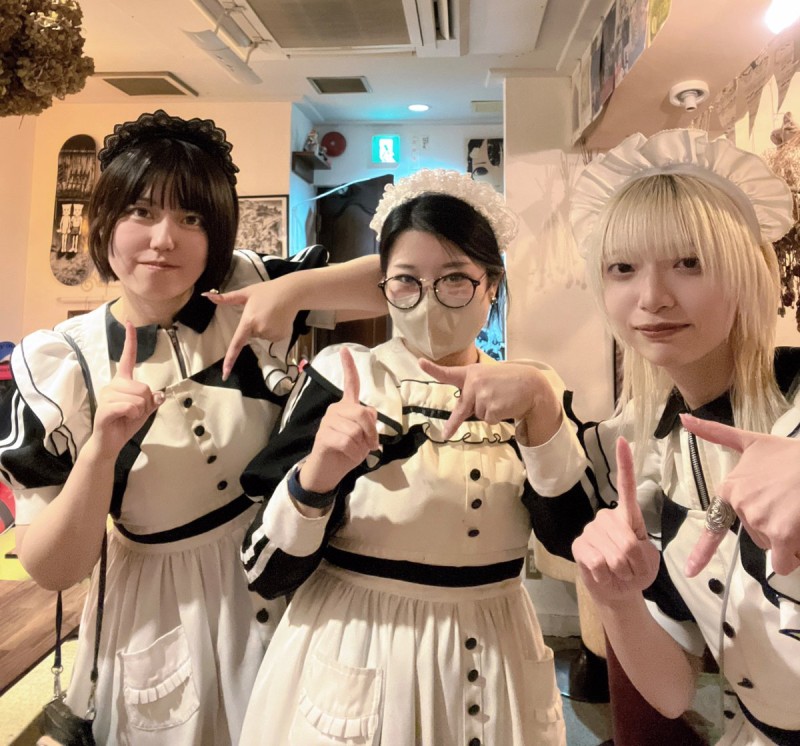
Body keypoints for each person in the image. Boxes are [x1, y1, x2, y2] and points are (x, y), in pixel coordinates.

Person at [0, 109, 386, 745]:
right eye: (141, 211)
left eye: (192, 218)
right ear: (105, 221)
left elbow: (401, 282)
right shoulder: (59, 363)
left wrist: (292, 293)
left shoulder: (245, 289)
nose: (164, 239)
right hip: (159, 602)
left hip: (279, 565)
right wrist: (99, 453)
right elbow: (53, 569)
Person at [237, 169, 588, 745]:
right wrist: (317, 475)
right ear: (384, 287)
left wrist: (543, 414)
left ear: (492, 284)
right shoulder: (343, 378)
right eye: (406, 281)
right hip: (360, 645)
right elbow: (264, 572)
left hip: (496, 652)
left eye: (455, 279)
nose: (429, 301)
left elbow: (571, 541)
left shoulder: (530, 390)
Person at [565, 129, 800, 744]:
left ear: (748, 272)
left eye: (689, 262)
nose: (652, 298)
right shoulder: (661, 455)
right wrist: (618, 601)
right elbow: (671, 692)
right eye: (622, 268)